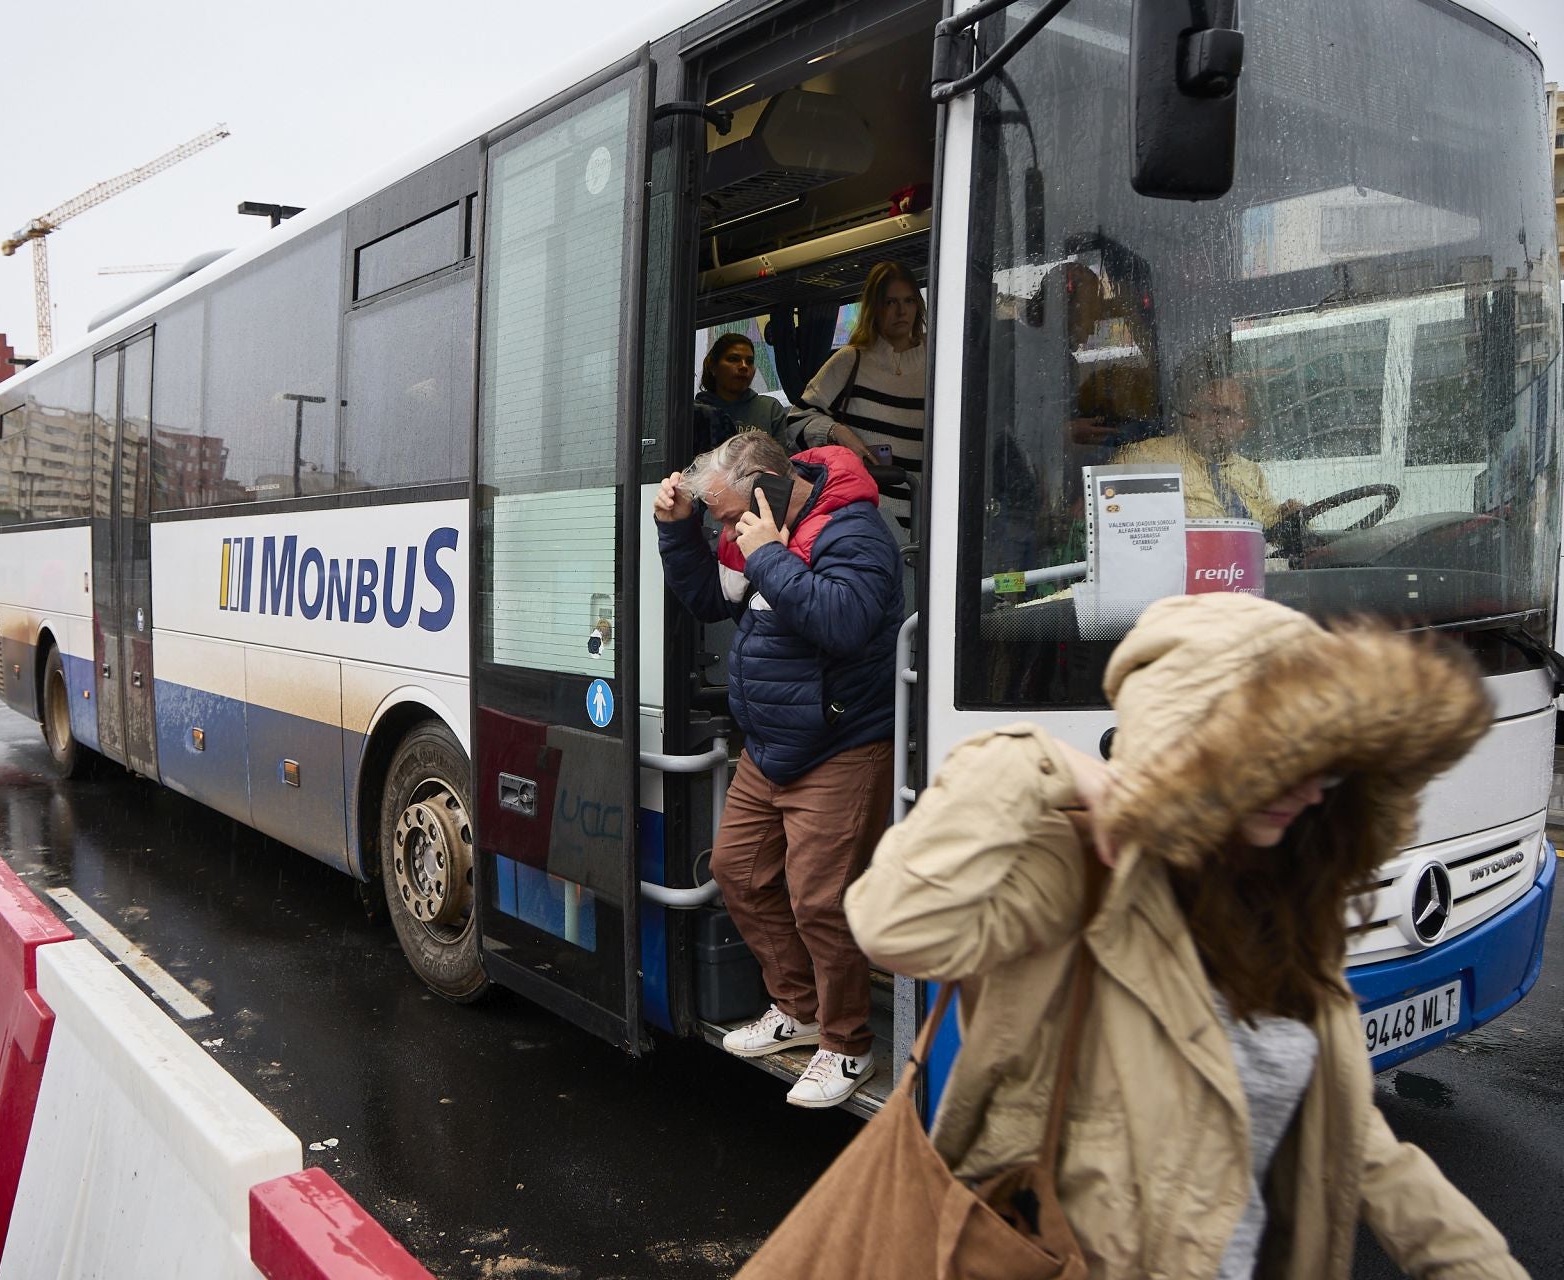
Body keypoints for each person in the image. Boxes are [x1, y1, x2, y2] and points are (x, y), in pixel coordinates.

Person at [845, 593, 1527, 1278]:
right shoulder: (1076, 873)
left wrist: (1469, 1259)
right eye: (1280, 754)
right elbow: (892, 924)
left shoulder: (1285, 899)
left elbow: (1342, 1131)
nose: (1314, 787)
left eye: (1327, 759)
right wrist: (1031, 757)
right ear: (1193, 750)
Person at [654, 430, 903, 1108]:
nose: (727, 530)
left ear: (767, 485)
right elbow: (710, 598)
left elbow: (845, 621)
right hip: (770, 746)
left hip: (840, 743)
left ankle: (848, 1046)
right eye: (721, 519)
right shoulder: (752, 528)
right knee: (736, 870)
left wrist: (767, 554)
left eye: (731, 515)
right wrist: (679, 533)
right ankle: (797, 1009)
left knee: (821, 901)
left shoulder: (853, 529)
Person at [1113, 348, 1304, 528]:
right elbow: (1111, 519)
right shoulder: (1143, 457)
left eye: (1227, 412)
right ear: (1190, 415)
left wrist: (1286, 516)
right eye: (1206, 409)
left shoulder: (1251, 472)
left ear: (1245, 424)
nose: (1214, 420)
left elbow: (1267, 527)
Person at [794, 261, 926, 474]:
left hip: (931, 504)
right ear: (874, 308)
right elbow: (796, 420)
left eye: (909, 301)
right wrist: (836, 432)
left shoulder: (940, 362)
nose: (902, 311)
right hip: (865, 504)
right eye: (890, 302)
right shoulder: (850, 360)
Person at [694, 333, 790, 453]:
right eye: (733, 359)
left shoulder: (770, 409)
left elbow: (783, 462)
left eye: (749, 361)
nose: (744, 366)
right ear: (713, 367)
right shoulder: (697, 413)